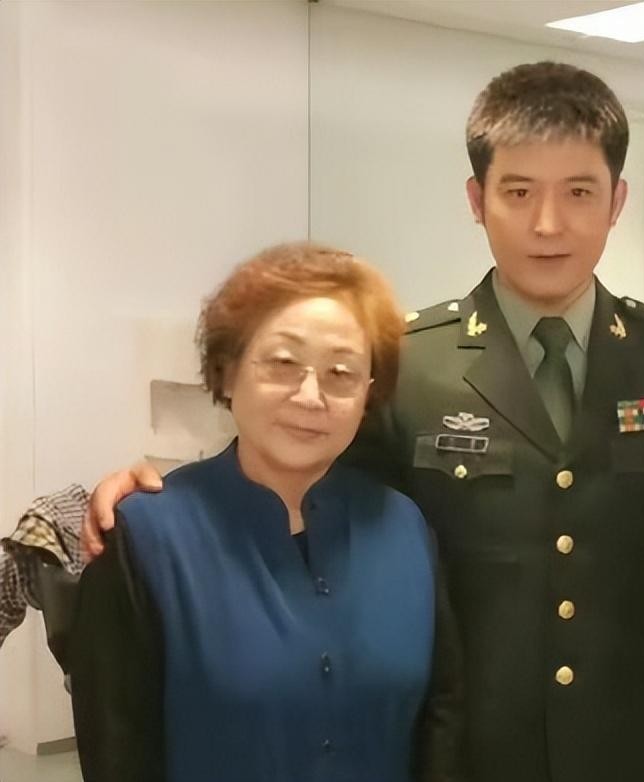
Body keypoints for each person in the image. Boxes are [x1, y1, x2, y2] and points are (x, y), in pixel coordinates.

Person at [83, 63, 644, 782]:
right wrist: (164, 490)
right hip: (467, 752)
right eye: (518, 192)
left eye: (580, 192)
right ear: (477, 200)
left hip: (632, 750)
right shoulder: (407, 364)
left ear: (617, 201)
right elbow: (300, 485)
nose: (549, 224)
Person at [70, 243, 464, 782]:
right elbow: (118, 755)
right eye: (282, 363)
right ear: (228, 371)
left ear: (369, 393)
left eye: (341, 373)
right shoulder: (145, 539)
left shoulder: (404, 529)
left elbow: (441, 720)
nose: (310, 396)